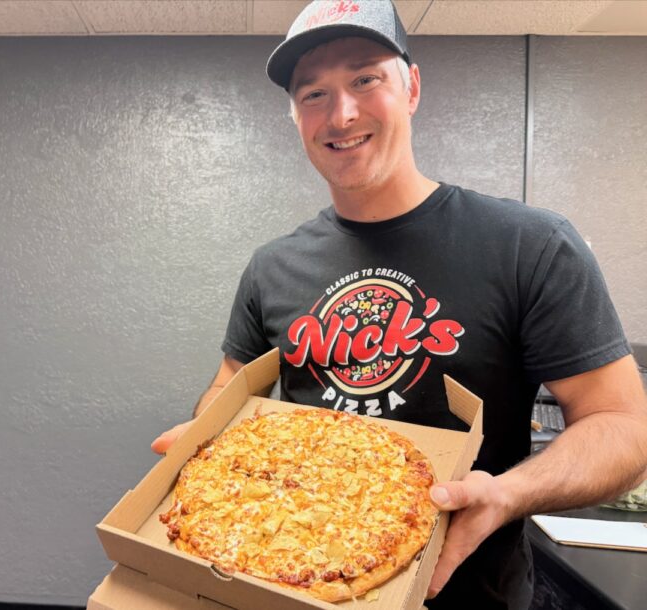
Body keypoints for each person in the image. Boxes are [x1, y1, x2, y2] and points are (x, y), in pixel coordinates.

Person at [151, 1, 647, 608]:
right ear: (295, 117)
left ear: (410, 86)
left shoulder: (531, 244)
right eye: (314, 94)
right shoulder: (271, 266)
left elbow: (625, 427)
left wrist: (509, 494)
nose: (343, 113)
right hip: (294, 575)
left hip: (476, 593)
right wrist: (208, 444)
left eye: (366, 79)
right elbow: (230, 385)